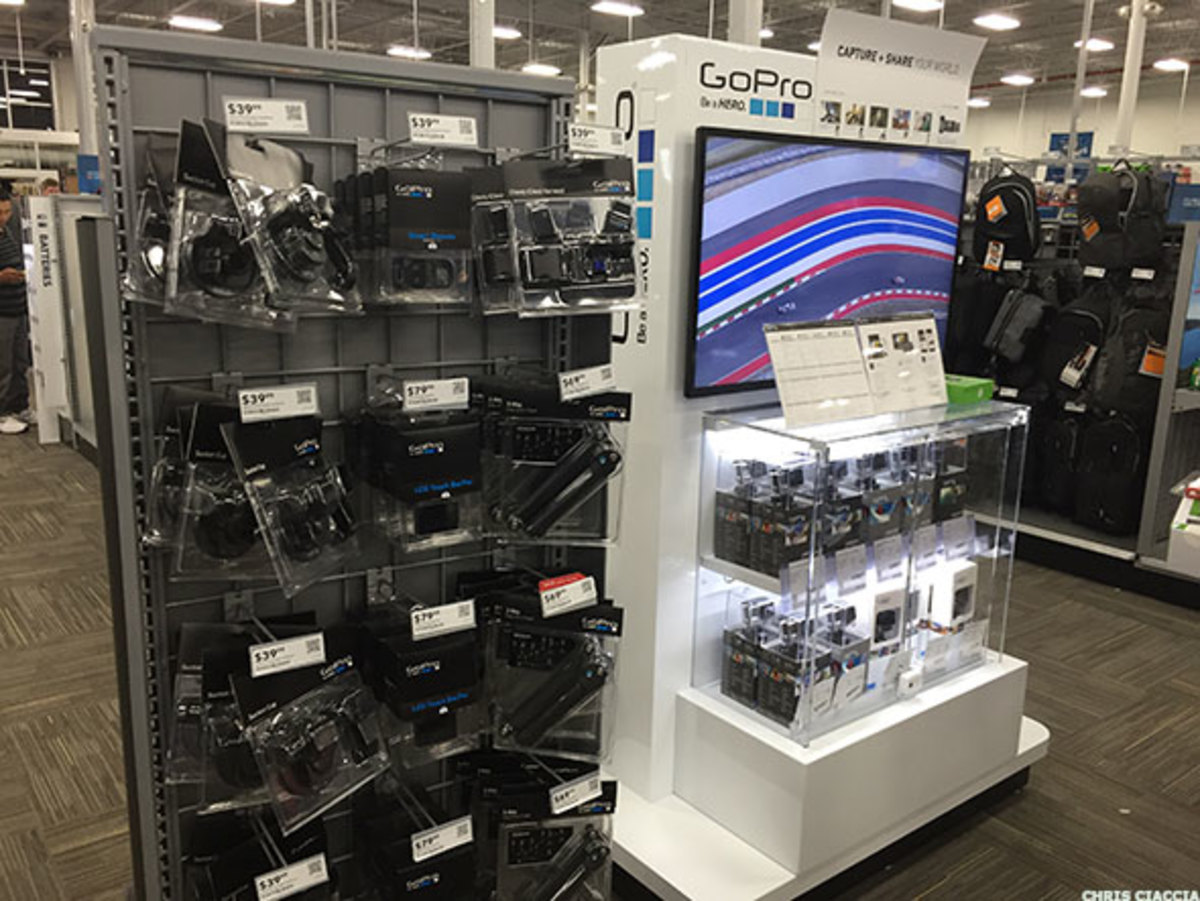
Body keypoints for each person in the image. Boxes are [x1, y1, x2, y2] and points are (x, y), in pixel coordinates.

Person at [0, 191, 30, 435]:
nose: (4, 217)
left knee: (20, 362)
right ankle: (1, 414)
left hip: (17, 308)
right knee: (3, 366)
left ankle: (18, 407)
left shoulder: (6, 232)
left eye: (7, 211)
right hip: (2, 312)